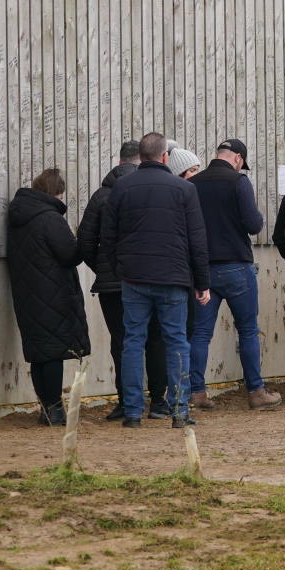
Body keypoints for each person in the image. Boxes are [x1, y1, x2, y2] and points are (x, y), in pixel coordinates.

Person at [100, 132, 210, 428]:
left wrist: (119, 268)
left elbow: (108, 237)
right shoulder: (184, 190)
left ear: (141, 156)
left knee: (133, 342)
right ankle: (178, 410)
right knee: (176, 342)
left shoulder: (121, 187)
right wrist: (202, 281)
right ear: (165, 157)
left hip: (133, 278)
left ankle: (133, 412)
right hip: (173, 277)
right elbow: (197, 240)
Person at [77, 141, 171, 422]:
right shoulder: (155, 191)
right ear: (143, 161)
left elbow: (84, 243)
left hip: (112, 285)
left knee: (123, 342)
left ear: (119, 162)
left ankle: (126, 401)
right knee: (155, 339)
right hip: (150, 277)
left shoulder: (101, 196)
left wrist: (107, 269)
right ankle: (157, 401)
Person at [188, 138, 281, 411]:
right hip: (237, 267)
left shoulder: (193, 184)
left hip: (203, 269)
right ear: (238, 159)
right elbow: (253, 225)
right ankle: (255, 392)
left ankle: (197, 393)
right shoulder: (238, 182)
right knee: (248, 330)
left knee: (201, 333)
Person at [7, 168, 90, 426]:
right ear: (55, 192)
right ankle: (55, 410)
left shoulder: (19, 216)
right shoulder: (50, 218)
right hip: (53, 292)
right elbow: (69, 255)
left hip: (26, 292)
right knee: (53, 352)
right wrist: (83, 242)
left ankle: (46, 408)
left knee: (39, 352)